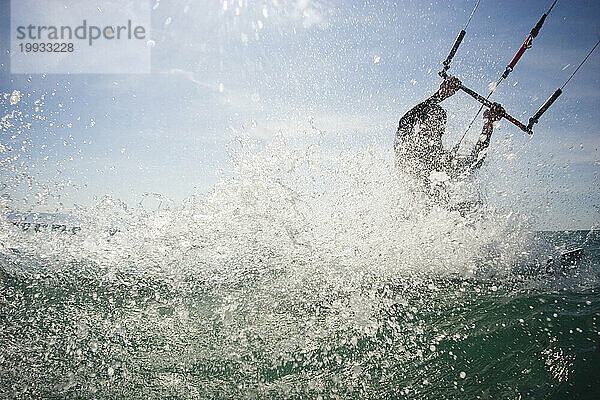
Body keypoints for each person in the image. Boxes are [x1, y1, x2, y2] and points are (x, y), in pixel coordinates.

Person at [394, 76, 504, 183]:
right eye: (431, 119)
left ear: (443, 128)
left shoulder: (444, 162)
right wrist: (439, 96)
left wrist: (488, 126)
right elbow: (405, 121)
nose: (434, 124)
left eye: (439, 121)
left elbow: (474, 161)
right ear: (420, 123)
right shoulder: (406, 148)